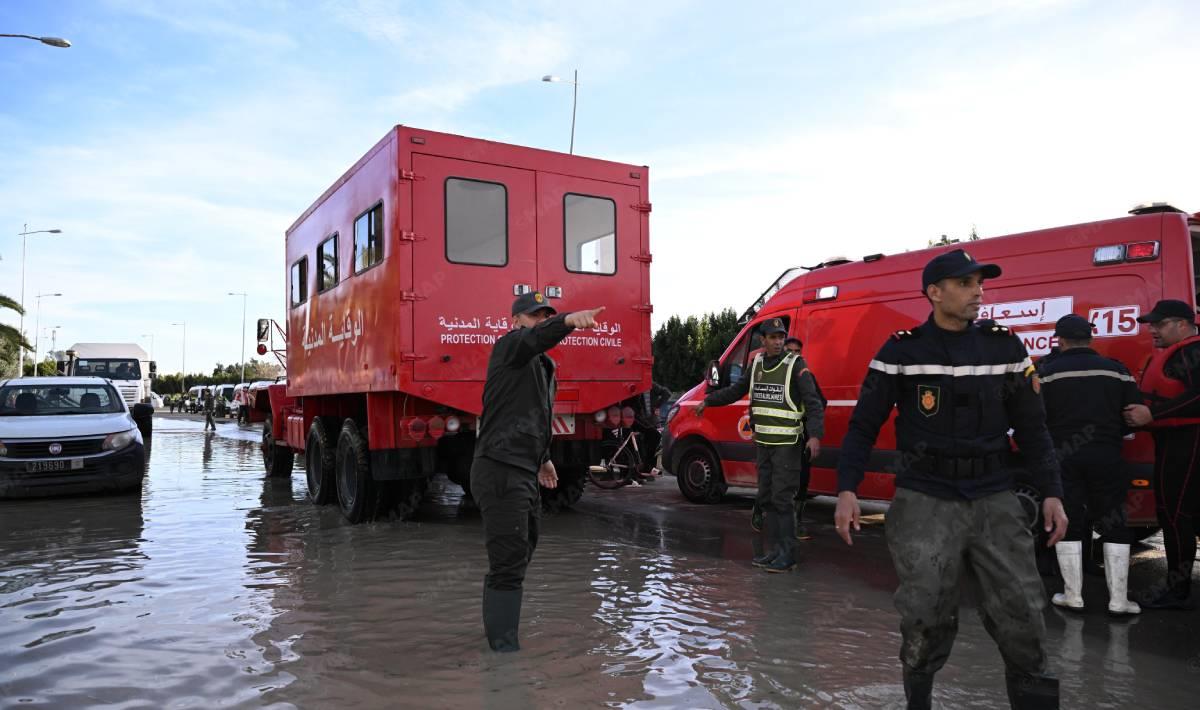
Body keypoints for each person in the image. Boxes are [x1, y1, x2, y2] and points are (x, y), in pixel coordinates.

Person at [834, 248, 1067, 709]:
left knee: (1022, 612)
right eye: (965, 284)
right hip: (925, 499)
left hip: (994, 497)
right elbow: (863, 425)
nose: (978, 292)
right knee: (925, 615)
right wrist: (846, 489)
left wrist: (1052, 492)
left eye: (980, 283)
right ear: (935, 293)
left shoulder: (1004, 347)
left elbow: (1033, 428)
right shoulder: (902, 351)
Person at [472, 291, 604, 652]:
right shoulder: (510, 347)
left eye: (547, 315)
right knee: (509, 560)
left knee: (522, 547)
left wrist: (544, 457)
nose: (541, 321)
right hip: (500, 468)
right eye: (535, 316)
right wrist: (567, 321)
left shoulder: (545, 366)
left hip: (524, 469)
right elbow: (536, 338)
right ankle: (503, 657)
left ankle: (495, 629)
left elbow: (535, 416)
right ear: (516, 321)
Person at [696, 317, 825, 573]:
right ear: (763, 340)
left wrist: (815, 435)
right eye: (773, 338)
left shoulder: (795, 365)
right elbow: (735, 391)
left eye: (781, 337)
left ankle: (788, 555)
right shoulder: (756, 365)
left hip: (787, 445)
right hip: (764, 445)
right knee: (767, 499)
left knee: (782, 499)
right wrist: (709, 401)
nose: (778, 342)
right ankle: (775, 551)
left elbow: (814, 402)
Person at [1036, 314, 1142, 616]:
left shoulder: (1046, 373)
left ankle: (1073, 596)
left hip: (1063, 457)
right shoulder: (1117, 371)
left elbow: (1035, 418)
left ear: (1060, 340)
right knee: (1114, 520)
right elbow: (1132, 414)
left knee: (1068, 518)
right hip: (1107, 454)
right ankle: (1119, 600)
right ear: (1091, 338)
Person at [1123, 299, 1200, 610]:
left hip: (1188, 442)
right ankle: (1176, 586)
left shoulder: (1191, 351)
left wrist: (1153, 415)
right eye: (1151, 324)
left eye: (1159, 323)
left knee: (1176, 514)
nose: (1152, 329)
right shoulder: (1179, 352)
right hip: (1173, 442)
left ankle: (1178, 591)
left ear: (1182, 324)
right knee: (1172, 513)